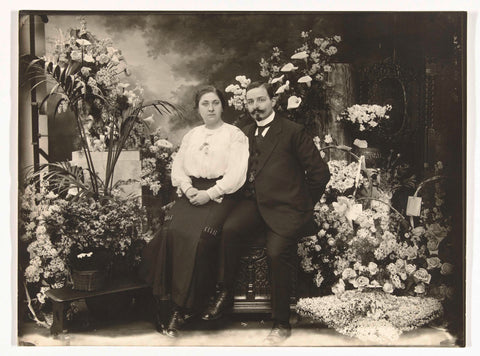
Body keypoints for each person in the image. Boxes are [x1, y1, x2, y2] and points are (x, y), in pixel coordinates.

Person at [201, 81, 331, 344]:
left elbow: (320, 174)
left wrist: (302, 207)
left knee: (275, 253)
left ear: (273, 101)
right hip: (253, 206)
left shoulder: (293, 131)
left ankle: (281, 322)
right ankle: (224, 294)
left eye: (260, 100)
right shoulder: (245, 133)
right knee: (230, 230)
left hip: (285, 210)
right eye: (250, 102)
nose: (255, 107)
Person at [139, 85, 249, 337]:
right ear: (198, 108)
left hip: (222, 194)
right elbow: (178, 168)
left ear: (222, 105)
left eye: (215, 103)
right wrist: (189, 190)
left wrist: (209, 194)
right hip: (191, 192)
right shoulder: (192, 136)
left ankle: (183, 308)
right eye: (205, 104)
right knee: (170, 233)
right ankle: (163, 302)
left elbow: (236, 174)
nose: (210, 108)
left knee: (199, 239)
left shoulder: (235, 135)